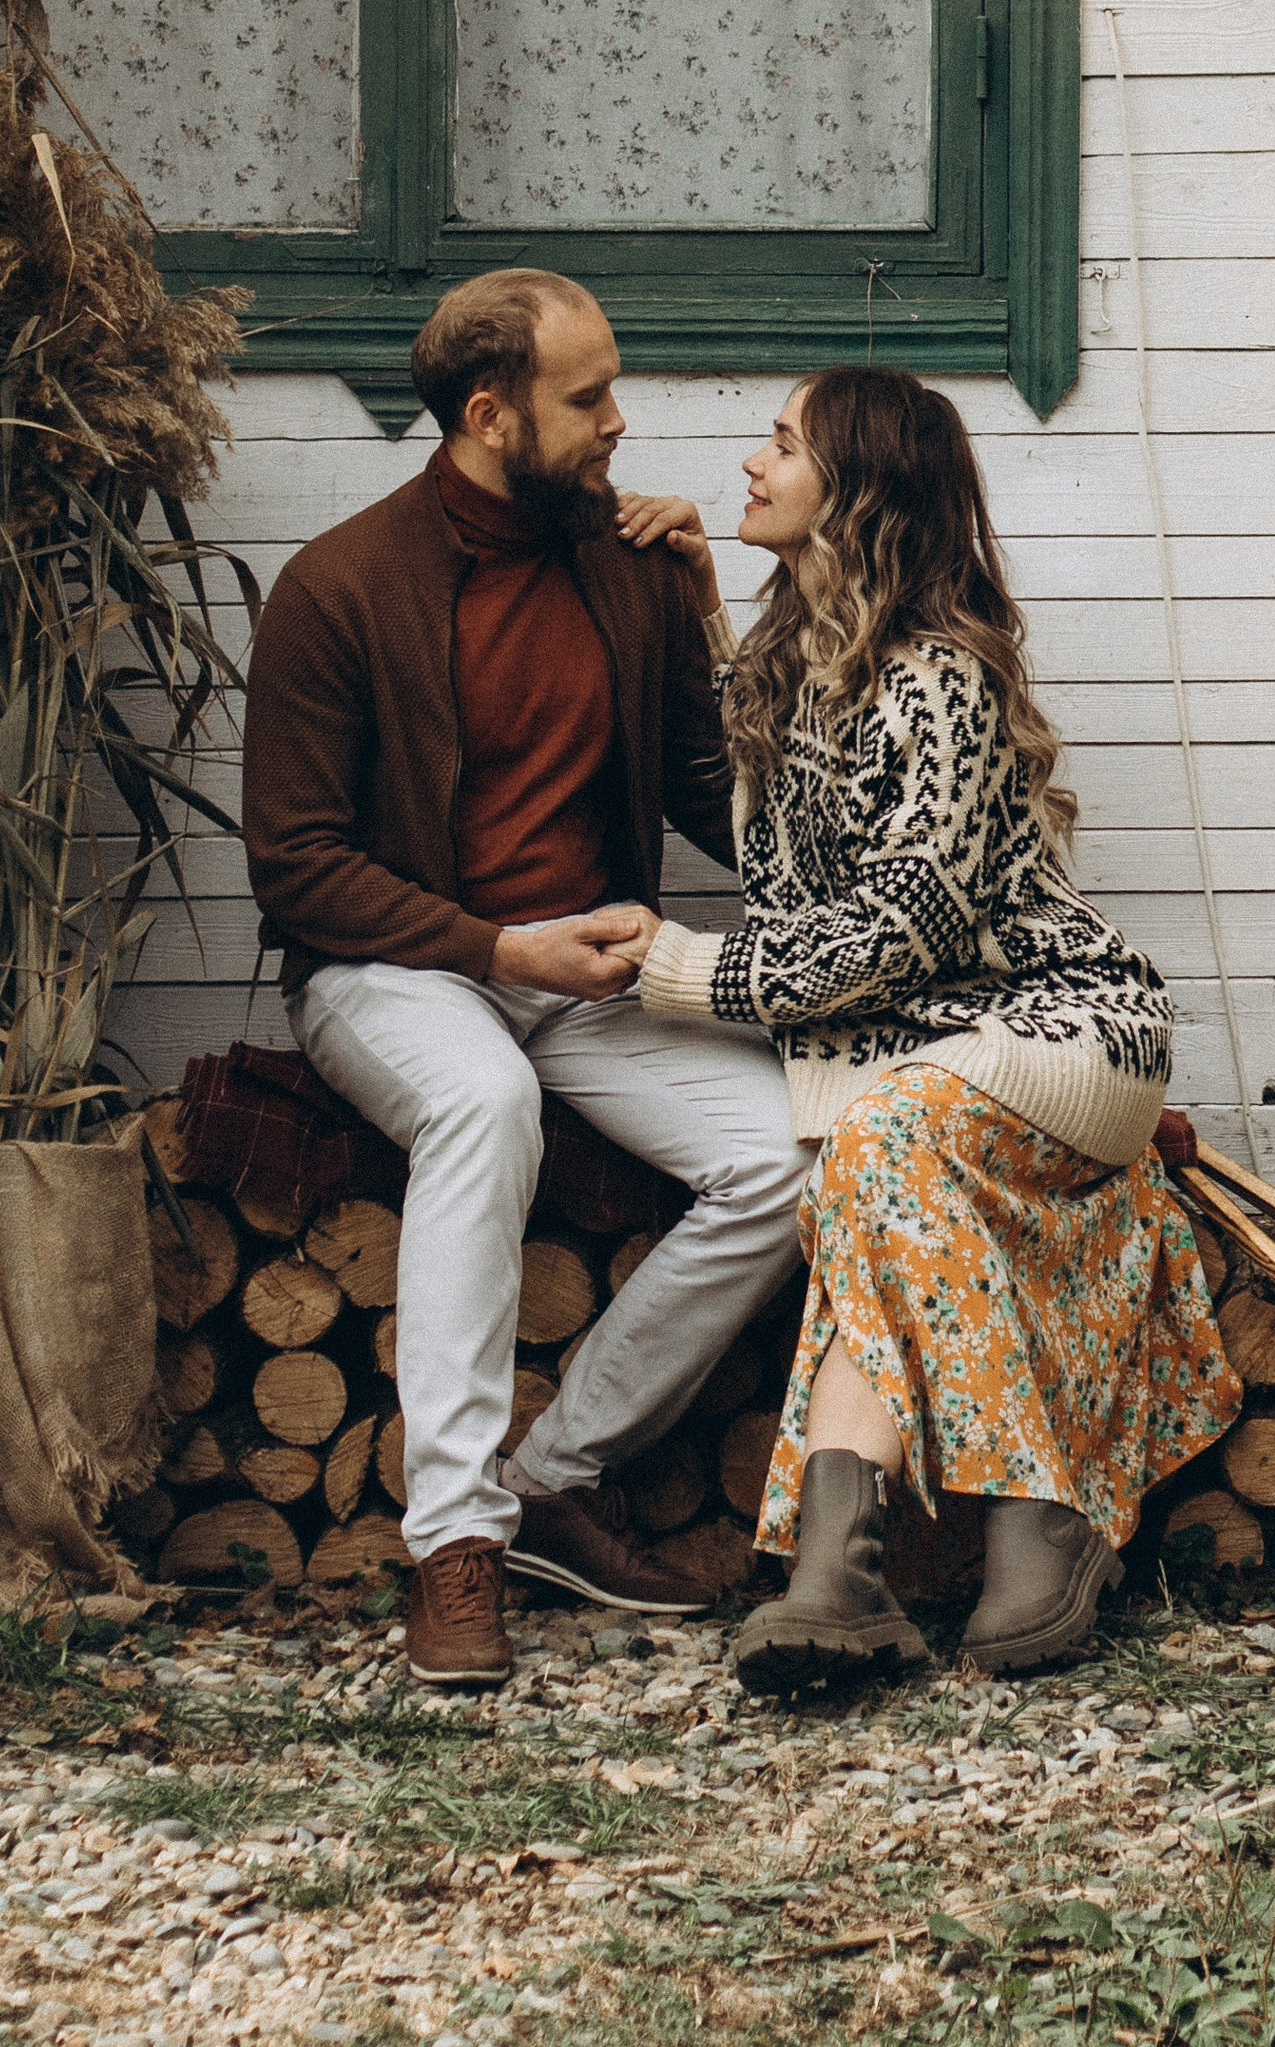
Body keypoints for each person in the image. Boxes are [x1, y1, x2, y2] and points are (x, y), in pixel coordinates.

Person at [613, 368, 1241, 1693]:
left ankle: (1027, 1513)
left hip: (1063, 1030)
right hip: (918, 1056)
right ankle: (842, 1582)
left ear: (857, 492)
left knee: (874, 1141)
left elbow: (902, 927)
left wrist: (682, 970)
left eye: (783, 444)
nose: (750, 463)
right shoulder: (811, 667)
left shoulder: (939, 680)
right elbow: (763, 821)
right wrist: (703, 598)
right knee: (873, 1197)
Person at [241, 270, 810, 1692]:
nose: (620, 421)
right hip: (395, 968)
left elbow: (717, 798)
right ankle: (454, 1543)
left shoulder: (631, 565)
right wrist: (495, 949)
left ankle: (554, 1477)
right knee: (482, 1102)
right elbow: (295, 869)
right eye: (588, 396)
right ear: (490, 415)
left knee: (790, 1161)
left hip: (587, 969)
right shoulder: (337, 587)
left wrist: (716, 605)